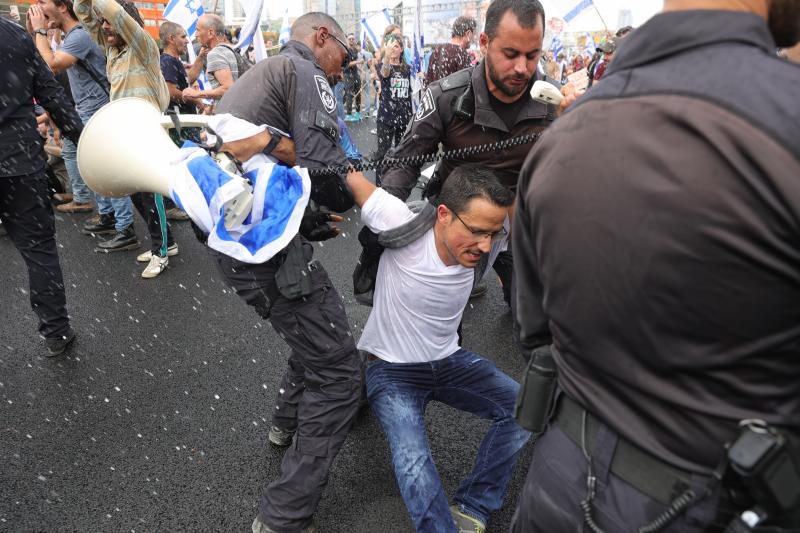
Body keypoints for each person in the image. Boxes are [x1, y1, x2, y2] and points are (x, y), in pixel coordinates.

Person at [511, 0, 800, 531]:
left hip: (560, 482)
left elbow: (534, 327)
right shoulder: (785, 118)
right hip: (714, 503)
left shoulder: (560, 139)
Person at [211, 12, 368, 533]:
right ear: (321, 38)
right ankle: (283, 516)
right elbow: (324, 171)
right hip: (264, 252)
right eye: (344, 57)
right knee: (340, 373)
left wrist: (313, 214)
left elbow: (285, 167)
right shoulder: (305, 72)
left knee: (315, 334)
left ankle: (284, 427)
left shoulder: (267, 73)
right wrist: (368, 191)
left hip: (242, 244)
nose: (343, 72)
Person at [347, 165, 530, 533]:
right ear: (444, 215)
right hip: (392, 369)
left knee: (524, 409)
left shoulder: (490, 237)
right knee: (413, 458)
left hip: (449, 361)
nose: (484, 246)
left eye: (493, 235)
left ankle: (473, 505)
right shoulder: (401, 222)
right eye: (476, 232)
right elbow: (350, 175)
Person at [366, 0, 570, 307]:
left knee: (535, 313)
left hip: (518, 223)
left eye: (532, 55)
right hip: (458, 220)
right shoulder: (446, 96)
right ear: (484, 43)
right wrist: (382, 225)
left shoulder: (556, 101)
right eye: (511, 54)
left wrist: (584, 124)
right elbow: (404, 164)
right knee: (434, 315)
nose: (522, 68)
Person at [75, 0, 177, 279]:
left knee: (149, 192)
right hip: (125, 132)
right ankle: (169, 242)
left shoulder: (143, 46)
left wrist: (106, 8)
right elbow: (84, 14)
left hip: (146, 130)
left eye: (107, 22)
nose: (104, 26)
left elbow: (115, 13)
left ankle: (161, 251)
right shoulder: (112, 49)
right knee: (134, 192)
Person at [1, 17, 83, 355]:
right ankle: (56, 332)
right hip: (19, 160)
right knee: (39, 251)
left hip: (17, 156)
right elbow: (51, 93)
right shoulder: (13, 35)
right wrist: (85, 142)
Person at [374, 33, 412, 186]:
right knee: (383, 154)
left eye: (396, 46)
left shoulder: (408, 69)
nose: (393, 49)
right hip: (386, 118)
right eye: (390, 46)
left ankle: (396, 183)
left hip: (403, 119)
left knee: (401, 153)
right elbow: (384, 73)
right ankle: (379, 185)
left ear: (402, 49)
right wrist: (387, 56)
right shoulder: (383, 66)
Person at [182, 14, 238, 108]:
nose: (195, 34)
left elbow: (228, 88)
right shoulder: (230, 49)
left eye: (198, 30)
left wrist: (197, 94)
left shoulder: (215, 53)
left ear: (211, 33)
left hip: (228, 112)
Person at [424, 16, 476, 85]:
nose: (473, 38)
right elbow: (467, 87)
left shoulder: (436, 51)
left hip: (435, 95)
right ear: (468, 34)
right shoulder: (462, 54)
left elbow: (428, 83)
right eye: (473, 34)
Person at [343, 33, 363, 121]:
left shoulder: (354, 50)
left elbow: (354, 63)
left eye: (353, 39)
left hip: (355, 74)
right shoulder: (345, 50)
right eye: (350, 39)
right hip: (347, 74)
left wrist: (361, 70)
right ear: (347, 39)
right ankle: (349, 114)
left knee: (358, 92)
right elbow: (347, 64)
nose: (352, 40)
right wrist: (358, 62)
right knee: (349, 94)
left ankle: (358, 112)